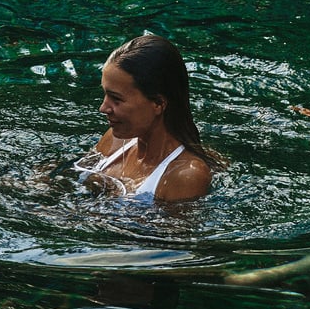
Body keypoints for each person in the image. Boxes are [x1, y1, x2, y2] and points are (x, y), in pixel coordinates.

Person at [75, 35, 224, 202]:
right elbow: (70, 176)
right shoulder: (115, 141)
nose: (103, 108)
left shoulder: (185, 176)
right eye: (105, 94)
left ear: (158, 104)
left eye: (116, 99)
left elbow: (168, 228)